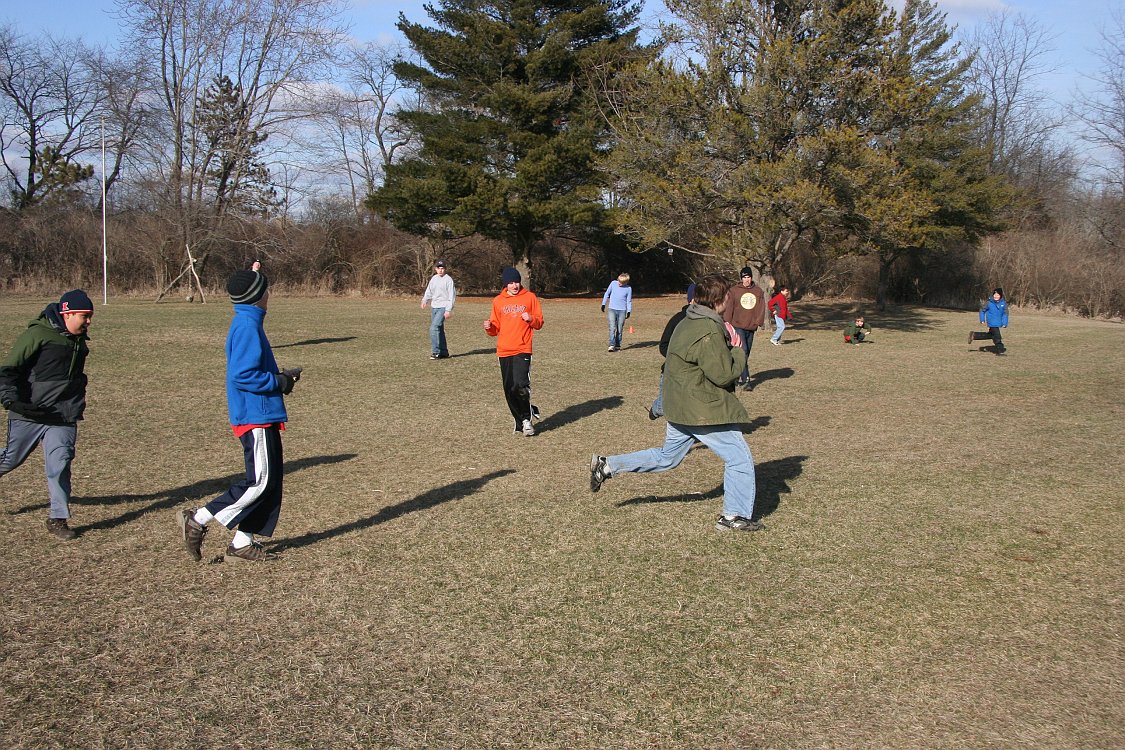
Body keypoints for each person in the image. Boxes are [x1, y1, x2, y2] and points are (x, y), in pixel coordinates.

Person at [590, 274, 763, 532]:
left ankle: (608, 465)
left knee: (667, 458)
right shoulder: (707, 330)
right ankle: (733, 516)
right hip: (700, 408)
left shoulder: (688, 319)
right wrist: (737, 349)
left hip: (680, 404)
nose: (730, 299)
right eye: (728, 295)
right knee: (739, 459)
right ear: (720, 299)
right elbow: (723, 374)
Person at [176, 270, 301, 563]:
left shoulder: (250, 321)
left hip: (264, 413)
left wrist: (282, 378)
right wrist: (278, 382)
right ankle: (197, 518)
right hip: (255, 416)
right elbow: (242, 375)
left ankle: (242, 543)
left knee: (270, 482)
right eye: (266, 289)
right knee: (259, 482)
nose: (269, 294)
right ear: (258, 296)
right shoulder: (246, 326)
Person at [0, 290, 94, 540]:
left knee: (60, 464)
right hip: (28, 413)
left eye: (90, 317)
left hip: (62, 416)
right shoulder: (37, 334)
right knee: (10, 460)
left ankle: (58, 518)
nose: (88, 322)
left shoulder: (78, 340)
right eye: (84, 316)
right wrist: (13, 401)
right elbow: (8, 371)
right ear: (67, 313)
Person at [484, 267, 544, 436]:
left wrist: (530, 318)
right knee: (509, 389)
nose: (514, 285)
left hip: (522, 348)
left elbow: (539, 322)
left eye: (516, 282)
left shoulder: (530, 298)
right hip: (504, 350)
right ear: (505, 284)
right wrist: (489, 327)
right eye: (510, 283)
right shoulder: (498, 301)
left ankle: (526, 420)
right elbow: (495, 329)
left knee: (520, 385)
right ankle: (521, 420)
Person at [649, 283, 695, 420]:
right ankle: (656, 409)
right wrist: (678, 357)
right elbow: (663, 345)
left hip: (693, 372)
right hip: (672, 370)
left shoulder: (706, 320)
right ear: (691, 300)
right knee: (664, 407)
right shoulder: (678, 319)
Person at [722, 267, 767, 389]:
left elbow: (761, 307)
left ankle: (736, 374)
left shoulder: (758, 291)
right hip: (738, 325)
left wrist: (758, 322)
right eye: (744, 277)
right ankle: (746, 380)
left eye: (748, 277)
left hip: (751, 326)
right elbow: (729, 307)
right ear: (741, 278)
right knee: (743, 351)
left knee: (746, 353)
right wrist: (727, 323)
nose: (747, 280)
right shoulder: (734, 291)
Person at [421, 259, 456, 359]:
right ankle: (444, 352)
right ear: (435, 269)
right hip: (434, 307)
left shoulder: (448, 280)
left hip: (443, 307)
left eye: (442, 268)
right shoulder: (434, 279)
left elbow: (452, 296)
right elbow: (429, 291)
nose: (440, 270)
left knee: (434, 328)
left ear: (445, 269)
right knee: (439, 329)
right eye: (439, 268)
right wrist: (425, 300)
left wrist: (448, 310)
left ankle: (436, 352)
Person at [969, 287, 1009, 355]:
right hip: (992, 322)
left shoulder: (1003, 303)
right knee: (997, 337)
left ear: (1001, 295)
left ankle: (974, 335)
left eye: (998, 295)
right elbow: (982, 310)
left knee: (991, 335)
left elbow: (1005, 313)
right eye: (995, 294)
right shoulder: (989, 303)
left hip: (998, 323)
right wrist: (982, 319)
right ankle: (1000, 351)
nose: (996, 296)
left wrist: (1005, 323)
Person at [601, 272, 633, 352]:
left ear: (625, 282)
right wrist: (603, 304)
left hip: (622, 311)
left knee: (619, 329)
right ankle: (611, 345)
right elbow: (607, 293)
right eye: (619, 281)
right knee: (612, 328)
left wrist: (629, 311)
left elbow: (629, 301)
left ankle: (618, 345)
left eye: (621, 282)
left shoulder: (628, 288)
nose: (619, 283)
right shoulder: (613, 283)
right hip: (612, 309)